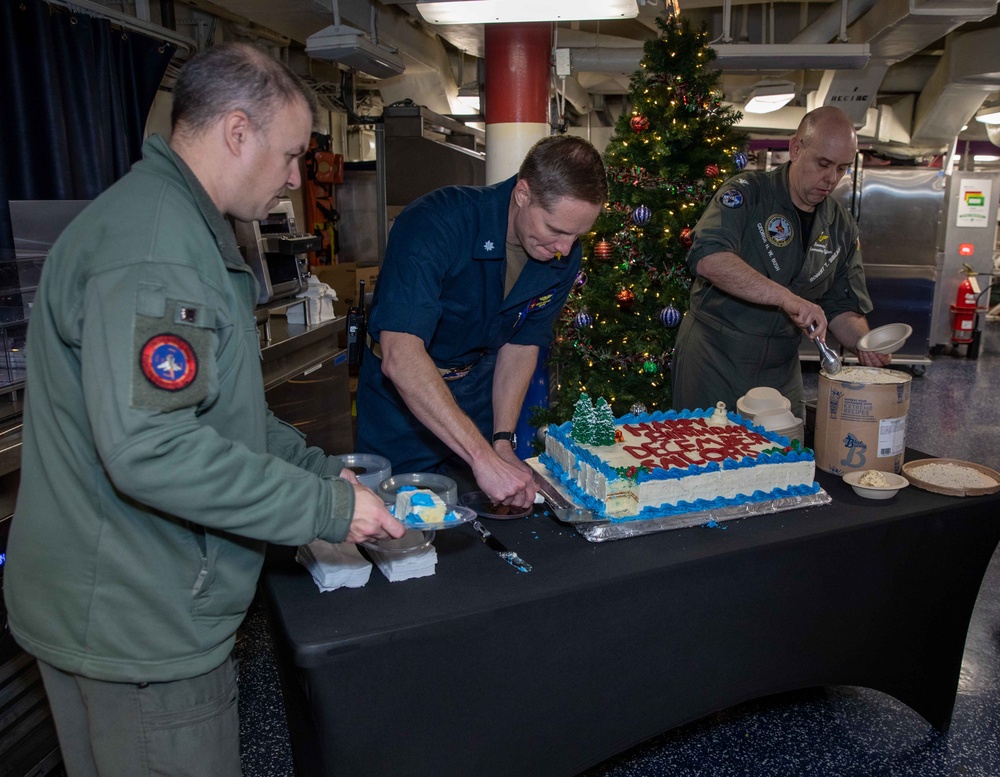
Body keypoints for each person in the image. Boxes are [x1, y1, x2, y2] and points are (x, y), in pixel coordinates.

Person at [3, 43, 403, 777]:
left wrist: (322, 474)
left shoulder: (167, 222)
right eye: (288, 154)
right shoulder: (159, 247)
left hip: (110, 600)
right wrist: (323, 509)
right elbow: (152, 449)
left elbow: (218, 418)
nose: (292, 177)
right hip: (138, 620)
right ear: (237, 131)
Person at [356, 135, 607, 509]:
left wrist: (501, 442)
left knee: (475, 524)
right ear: (523, 194)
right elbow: (401, 355)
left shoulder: (563, 254)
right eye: (556, 230)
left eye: (577, 235)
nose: (566, 249)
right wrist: (481, 456)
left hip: (475, 389)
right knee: (395, 523)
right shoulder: (436, 221)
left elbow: (521, 344)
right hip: (400, 403)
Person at [671, 105, 891, 414]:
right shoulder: (747, 194)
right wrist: (788, 299)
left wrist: (865, 345)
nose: (831, 178)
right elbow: (709, 257)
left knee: (784, 456)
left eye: (842, 168)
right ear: (796, 148)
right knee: (709, 455)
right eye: (823, 163)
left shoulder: (841, 225)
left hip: (781, 368)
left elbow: (842, 306)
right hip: (715, 358)